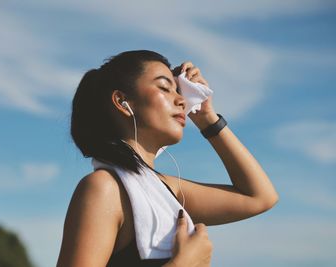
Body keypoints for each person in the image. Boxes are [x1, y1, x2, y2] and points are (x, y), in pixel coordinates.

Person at [56, 50, 278, 267]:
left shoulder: (167, 190)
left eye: (180, 91)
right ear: (123, 101)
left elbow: (259, 197)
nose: (181, 100)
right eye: (164, 87)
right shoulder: (104, 188)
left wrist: (207, 118)